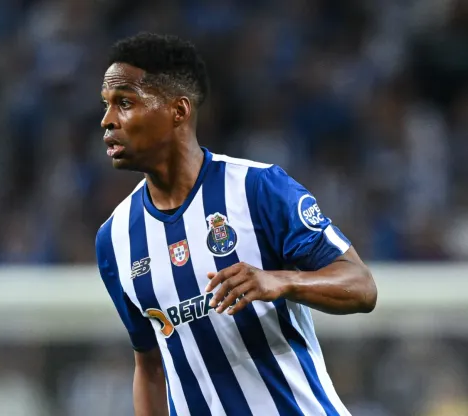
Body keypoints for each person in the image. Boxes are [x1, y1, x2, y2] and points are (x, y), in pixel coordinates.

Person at [94, 32, 378, 416]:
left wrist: (283, 280)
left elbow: (361, 286)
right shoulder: (114, 239)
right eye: (107, 105)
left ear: (178, 111)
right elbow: (149, 365)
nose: (107, 120)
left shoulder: (257, 188)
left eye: (124, 103)